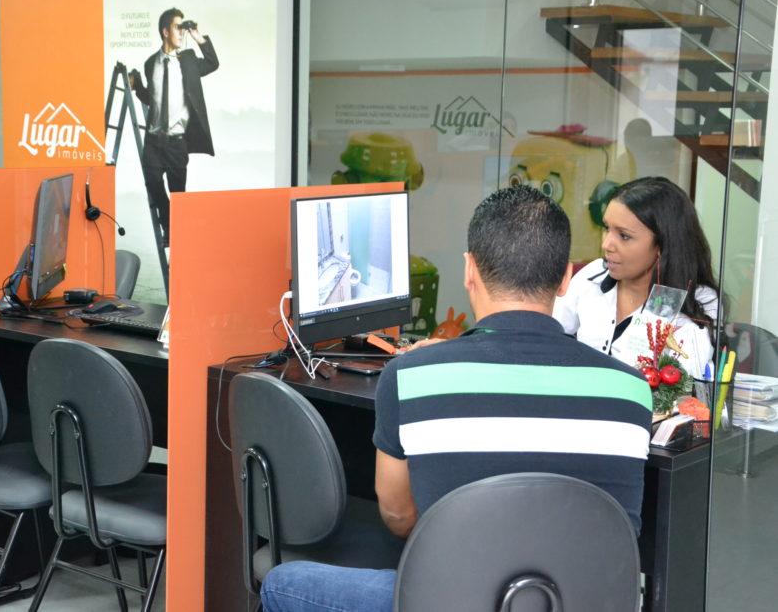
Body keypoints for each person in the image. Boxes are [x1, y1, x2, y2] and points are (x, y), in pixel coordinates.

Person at [260, 185, 653, 612]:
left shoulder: (412, 376)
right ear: (564, 280)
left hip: (451, 600)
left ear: (469, 270)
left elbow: (398, 516)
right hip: (581, 602)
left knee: (282, 583)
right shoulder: (631, 389)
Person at [553, 176, 720, 378]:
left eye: (624, 236)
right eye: (607, 228)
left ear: (663, 245)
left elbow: (684, 382)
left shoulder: (697, 299)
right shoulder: (593, 276)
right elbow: (550, 336)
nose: (606, 245)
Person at [131, 7, 218, 245]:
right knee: (153, 184)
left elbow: (213, 63)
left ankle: (177, 237)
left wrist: (198, 36)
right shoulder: (151, 63)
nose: (181, 33)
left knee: (178, 195)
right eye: (178, 27)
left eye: (183, 28)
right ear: (165, 32)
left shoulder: (188, 61)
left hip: (177, 144)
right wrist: (137, 87)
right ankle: (169, 227)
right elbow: (153, 98)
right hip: (153, 142)